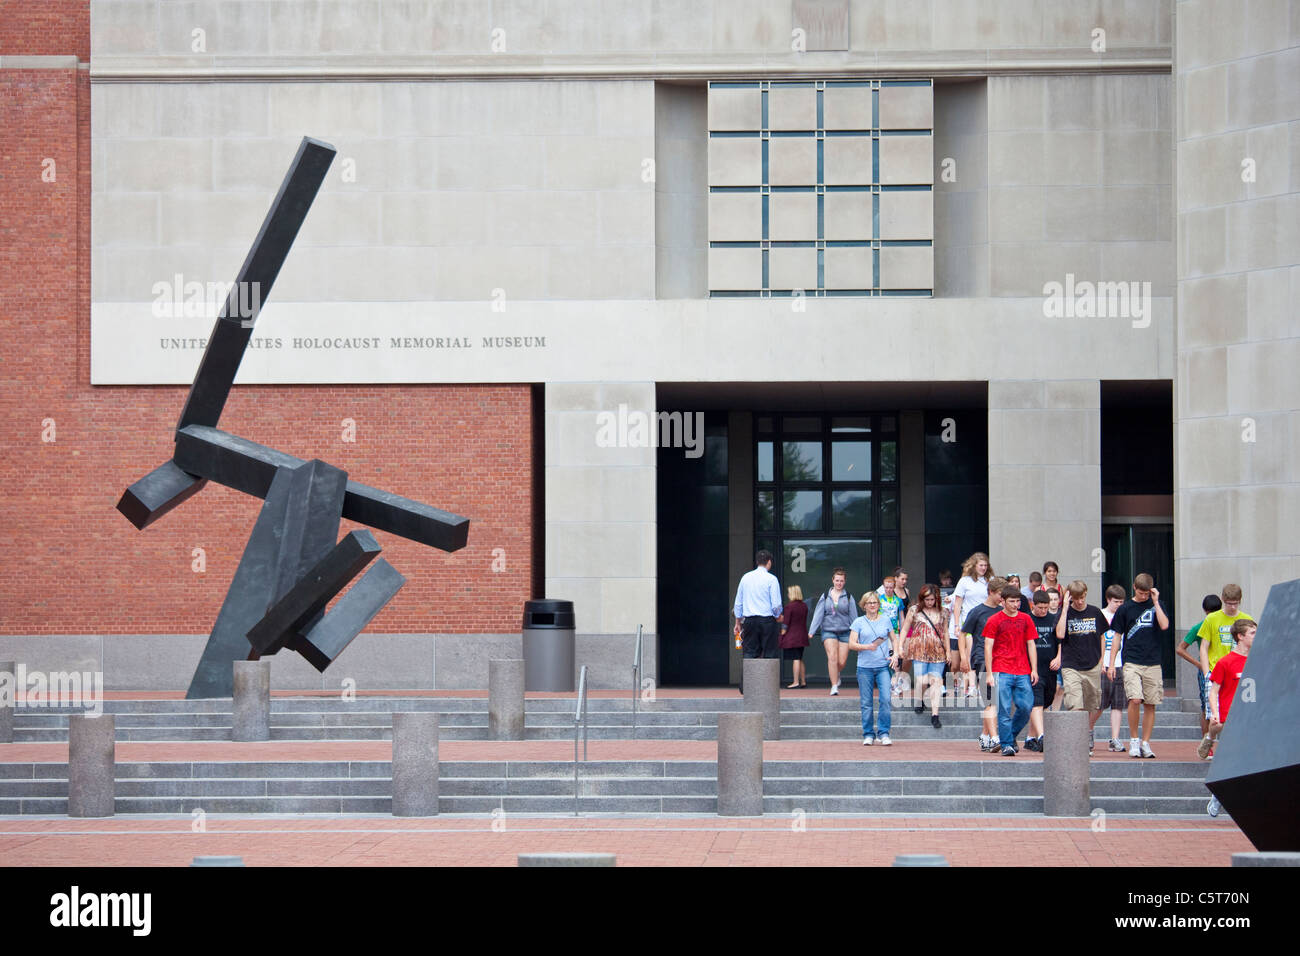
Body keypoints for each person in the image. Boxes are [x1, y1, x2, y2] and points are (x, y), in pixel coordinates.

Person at [1109, 573, 1170, 758]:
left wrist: (1156, 602)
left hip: (1153, 661)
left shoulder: (1156, 606)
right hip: (1132, 660)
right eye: (1141, 593)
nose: (1144, 596)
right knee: (1135, 699)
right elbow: (1117, 636)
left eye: (1147, 593)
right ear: (1134, 587)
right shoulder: (1125, 609)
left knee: (1151, 703)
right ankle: (1134, 739)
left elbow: (1165, 625)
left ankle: (1146, 742)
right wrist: (1112, 664)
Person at [1205, 620, 1256, 816]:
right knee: (1236, 758)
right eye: (1252, 633)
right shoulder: (1226, 662)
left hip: (1254, 718)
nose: (1255, 636)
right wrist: (1215, 712)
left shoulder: (1258, 660)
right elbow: (1213, 691)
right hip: (1231, 718)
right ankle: (1219, 795)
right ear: (1240, 637)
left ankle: (1229, 795)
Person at [983, 585, 1039, 756]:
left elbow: (1031, 644)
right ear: (1003, 601)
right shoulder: (994, 620)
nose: (1016, 604)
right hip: (1002, 668)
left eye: (1018, 601)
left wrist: (1034, 669)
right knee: (1004, 709)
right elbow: (988, 646)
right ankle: (1007, 744)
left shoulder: (1026, 619)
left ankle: (1009, 736)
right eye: (1012, 601)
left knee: (1026, 706)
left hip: (1022, 669)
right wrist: (990, 673)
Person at [1054, 580, 1108, 755]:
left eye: (1082, 597)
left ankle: (1086, 732)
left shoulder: (1095, 612)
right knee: (1075, 705)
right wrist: (1064, 609)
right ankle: (1079, 744)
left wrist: (1101, 660)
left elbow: (1102, 637)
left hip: (1092, 664)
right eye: (1076, 598)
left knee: (1091, 705)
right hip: (1071, 665)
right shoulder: (1065, 613)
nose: (1079, 601)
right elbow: (1060, 634)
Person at [963, 576, 1006, 751]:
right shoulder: (977, 611)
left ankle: (985, 735)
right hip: (981, 658)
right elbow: (963, 633)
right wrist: (965, 659)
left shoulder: (1002, 612)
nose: (1002, 598)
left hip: (1000, 659)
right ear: (991, 592)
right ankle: (995, 737)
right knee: (991, 701)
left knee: (994, 700)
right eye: (1000, 595)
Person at [898, 584, 950, 729]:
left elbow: (945, 632)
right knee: (921, 680)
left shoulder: (943, 612)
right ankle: (919, 699)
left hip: (937, 651)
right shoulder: (914, 610)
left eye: (932, 599)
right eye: (927, 599)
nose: (929, 602)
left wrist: (948, 651)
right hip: (919, 650)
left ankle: (935, 714)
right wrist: (900, 646)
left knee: (936, 682)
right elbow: (905, 628)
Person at [849, 592, 897, 746]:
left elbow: (894, 639)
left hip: (883, 666)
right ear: (864, 605)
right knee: (866, 702)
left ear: (878, 604)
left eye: (874, 602)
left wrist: (895, 655)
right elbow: (851, 644)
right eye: (869, 603)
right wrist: (866, 646)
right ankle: (868, 734)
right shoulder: (858, 622)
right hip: (864, 668)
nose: (872, 605)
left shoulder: (886, 620)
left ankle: (883, 733)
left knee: (885, 699)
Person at [732, 549, 784, 693]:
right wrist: (778, 615)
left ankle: (746, 687)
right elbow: (776, 605)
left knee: (749, 653)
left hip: (749, 621)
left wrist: (737, 622)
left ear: (757, 562)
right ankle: (768, 688)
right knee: (769, 653)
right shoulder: (771, 579)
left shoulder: (745, 578)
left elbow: (738, 603)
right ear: (769, 562)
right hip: (767, 620)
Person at [1177, 594, 1223, 749]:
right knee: (1206, 707)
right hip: (1208, 671)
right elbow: (1180, 648)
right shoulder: (1200, 627)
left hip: (1225, 669)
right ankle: (1207, 745)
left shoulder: (1225, 625)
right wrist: (1198, 664)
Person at [809, 568, 856, 696]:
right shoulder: (825, 596)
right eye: (837, 580)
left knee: (841, 661)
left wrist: (857, 633)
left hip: (845, 632)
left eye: (841, 581)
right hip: (828, 631)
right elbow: (818, 614)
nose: (839, 583)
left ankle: (837, 673)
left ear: (844, 582)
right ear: (833, 580)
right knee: (832, 657)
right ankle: (834, 686)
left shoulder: (849, 596)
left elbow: (854, 617)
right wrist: (812, 631)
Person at [951, 552, 993, 696]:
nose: (983, 568)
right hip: (969, 620)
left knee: (985, 652)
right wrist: (956, 625)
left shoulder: (990, 580)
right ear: (974, 566)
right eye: (981, 565)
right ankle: (972, 685)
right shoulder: (965, 581)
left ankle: (982, 683)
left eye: (985, 565)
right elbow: (957, 604)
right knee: (971, 651)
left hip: (987, 620)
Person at [1022, 591, 1060, 751]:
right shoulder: (1026, 619)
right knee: (1036, 702)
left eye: (1046, 608)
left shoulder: (1053, 620)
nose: (1043, 611)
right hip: (1032, 670)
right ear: (1033, 605)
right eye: (1040, 608)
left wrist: (1059, 657)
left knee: (1045, 702)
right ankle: (1042, 736)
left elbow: (1061, 641)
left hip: (1050, 669)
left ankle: (1030, 737)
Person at [1197, 584, 1254, 688]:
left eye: (1235, 604)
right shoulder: (1211, 619)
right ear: (1223, 599)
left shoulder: (1247, 619)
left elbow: (1251, 647)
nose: (1232, 607)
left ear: (1240, 600)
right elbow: (1203, 647)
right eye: (1229, 604)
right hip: (1216, 672)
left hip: (1239, 673)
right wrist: (1206, 674)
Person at [1099, 584, 1127, 752]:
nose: (1118, 605)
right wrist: (1101, 662)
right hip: (1104, 663)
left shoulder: (1124, 615)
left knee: (1117, 705)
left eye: (1121, 602)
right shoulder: (1101, 615)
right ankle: (1088, 731)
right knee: (1099, 704)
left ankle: (1115, 738)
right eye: (1116, 601)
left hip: (1120, 663)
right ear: (1108, 599)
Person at [780, 585, 810, 689]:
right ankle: (803, 681)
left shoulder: (789, 606)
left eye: (789, 593)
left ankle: (796, 681)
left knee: (796, 658)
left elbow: (786, 622)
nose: (788, 595)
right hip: (802, 635)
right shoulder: (804, 606)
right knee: (800, 658)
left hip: (793, 636)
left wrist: (782, 633)